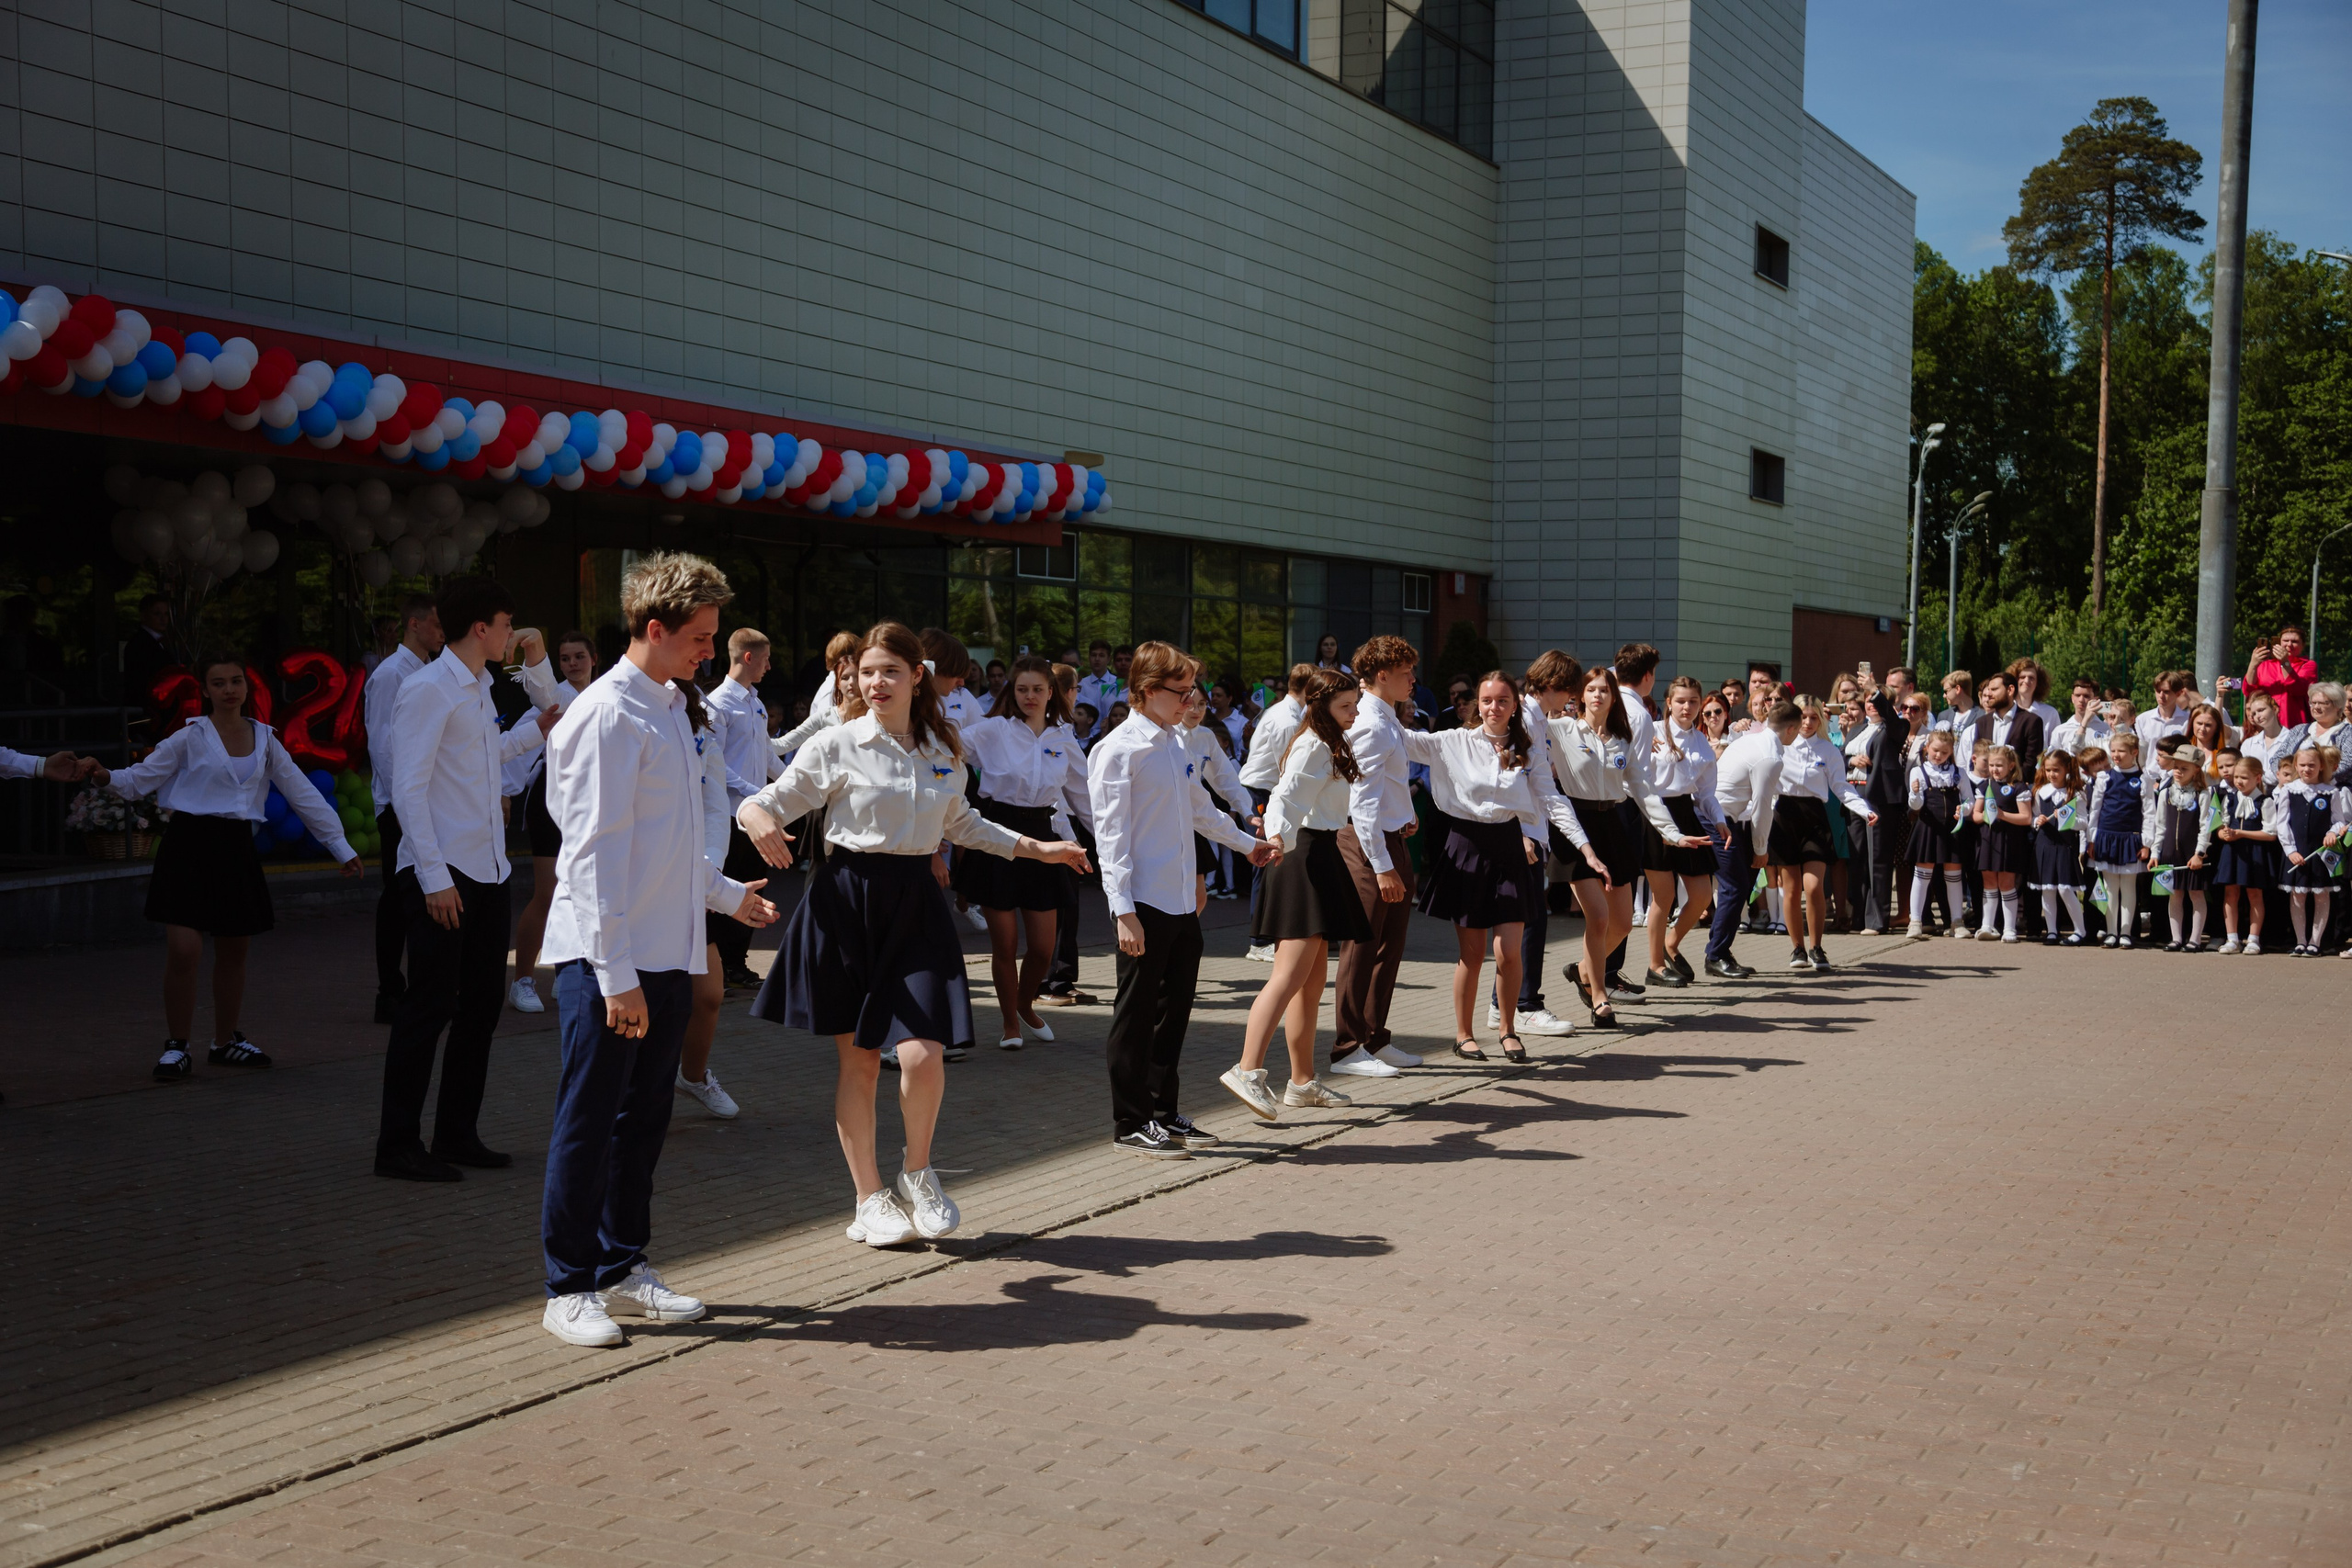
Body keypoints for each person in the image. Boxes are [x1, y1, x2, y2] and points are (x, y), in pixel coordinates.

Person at [741, 622, 1089, 1235]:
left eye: (890, 671)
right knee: (863, 1063)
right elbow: (771, 799)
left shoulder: (942, 748)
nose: (876, 681)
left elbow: (965, 824)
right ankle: (868, 1198)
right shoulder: (837, 744)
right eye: (867, 671)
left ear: (916, 677)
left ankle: (918, 1172)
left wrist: (1038, 847)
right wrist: (753, 816)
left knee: (924, 1055)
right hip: (847, 903)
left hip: (916, 904)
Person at [534, 554, 778, 1347]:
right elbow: (592, 855)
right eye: (701, 638)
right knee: (589, 1119)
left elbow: (668, 844)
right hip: (613, 961)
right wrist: (616, 977)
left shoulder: (672, 705)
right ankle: (567, 1286)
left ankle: (620, 1263)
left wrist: (725, 895)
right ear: (654, 629)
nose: (711, 651)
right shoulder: (607, 713)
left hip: (667, 953)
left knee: (643, 1121)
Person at [99, 655, 362, 1081]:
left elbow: (301, 791)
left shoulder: (265, 738)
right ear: (205, 691)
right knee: (184, 949)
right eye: (218, 683)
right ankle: (177, 1046)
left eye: (236, 681)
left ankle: (224, 1041)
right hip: (187, 845)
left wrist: (339, 846)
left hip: (237, 848)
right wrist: (100, 777)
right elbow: (138, 780)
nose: (229, 689)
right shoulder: (190, 737)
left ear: (247, 687)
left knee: (234, 951)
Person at [377, 579, 559, 1183]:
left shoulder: (478, 685)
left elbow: (487, 756)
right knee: (427, 1007)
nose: (513, 633)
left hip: (486, 869)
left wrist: (540, 726)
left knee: (480, 1007)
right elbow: (408, 787)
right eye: (506, 623)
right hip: (444, 871)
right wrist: (433, 878)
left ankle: (456, 1132)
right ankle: (397, 1143)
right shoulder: (427, 688)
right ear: (480, 628)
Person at [1088, 641, 1274, 1157]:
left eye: (1193, 689)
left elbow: (1201, 810)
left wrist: (1248, 844)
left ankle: (1162, 1112)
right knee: (1135, 1013)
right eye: (1182, 690)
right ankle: (1130, 1121)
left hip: (1178, 903)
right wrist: (1121, 909)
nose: (1192, 700)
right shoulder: (1118, 749)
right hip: (1143, 901)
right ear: (1147, 692)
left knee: (1173, 1013)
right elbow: (1111, 836)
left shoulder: (1175, 743)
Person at [1219, 669, 1370, 1119]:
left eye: (1355, 704)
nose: (1354, 712)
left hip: (1319, 855)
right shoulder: (1313, 744)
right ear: (1320, 705)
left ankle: (1302, 1081)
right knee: (1287, 978)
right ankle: (1247, 1070)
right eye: (1346, 705)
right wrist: (1278, 839)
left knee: (1310, 985)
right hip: (1302, 857)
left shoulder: (1329, 742)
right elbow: (1282, 797)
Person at [1396, 671, 1561, 1062]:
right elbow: (1405, 742)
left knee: (1508, 952)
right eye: (1487, 700)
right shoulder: (1453, 741)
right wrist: (1375, 701)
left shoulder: (1530, 749)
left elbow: (1549, 801)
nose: (1494, 708)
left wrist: (1574, 845)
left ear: (1515, 705)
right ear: (1474, 705)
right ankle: (1463, 1034)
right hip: (1465, 846)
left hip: (1510, 846)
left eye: (1502, 700)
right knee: (1471, 954)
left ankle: (1507, 1030)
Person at [954, 654, 1091, 1050]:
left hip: (1042, 838)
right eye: (1022, 689)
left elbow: (1084, 799)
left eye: (1038, 689)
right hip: (995, 833)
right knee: (1006, 944)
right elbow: (943, 749)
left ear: (1052, 693)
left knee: (1044, 947)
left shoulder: (1063, 738)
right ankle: (1010, 1022)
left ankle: (1025, 1005)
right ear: (1012, 693)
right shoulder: (992, 729)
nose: (1030, 696)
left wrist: (1107, 845)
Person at [1547, 664, 1691, 1019]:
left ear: (1614, 697)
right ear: (1581, 695)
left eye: (1605, 690)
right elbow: (1526, 725)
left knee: (1623, 923)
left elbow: (1643, 789)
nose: (1598, 695)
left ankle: (1583, 970)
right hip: (1576, 825)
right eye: (1592, 689)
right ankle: (1599, 998)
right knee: (1597, 919)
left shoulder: (1621, 740)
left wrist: (1671, 832)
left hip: (1612, 824)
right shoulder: (1561, 730)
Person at [1331, 635, 1425, 1078]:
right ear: (1382, 675)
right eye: (1406, 672)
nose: (1413, 679)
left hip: (1390, 839)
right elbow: (1361, 801)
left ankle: (1373, 1037)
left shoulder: (1385, 718)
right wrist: (1383, 865)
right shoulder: (1369, 721)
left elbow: (1383, 790)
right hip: (1370, 846)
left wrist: (1404, 815)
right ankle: (1348, 1048)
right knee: (1363, 945)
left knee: (1389, 945)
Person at [1487, 650, 1584, 1038]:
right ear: (1556, 685)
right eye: (1569, 690)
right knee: (1528, 922)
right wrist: (1525, 833)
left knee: (1528, 919)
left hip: (1531, 831)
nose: (1571, 699)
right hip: (1521, 832)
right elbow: (1514, 780)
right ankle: (1523, 1004)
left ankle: (1504, 1004)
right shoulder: (1527, 717)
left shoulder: (1537, 718)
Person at [363, 593, 445, 1022]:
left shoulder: (424, 671)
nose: (442, 632)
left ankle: (413, 987)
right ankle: (390, 991)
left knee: (412, 894)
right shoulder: (391, 673)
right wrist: (401, 804)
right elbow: (383, 745)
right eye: (436, 624)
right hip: (401, 803)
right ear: (414, 624)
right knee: (398, 897)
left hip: (420, 800)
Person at [506, 630, 597, 1015]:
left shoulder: (608, 695)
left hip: (595, 803)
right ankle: (522, 980)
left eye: (579, 656)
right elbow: (517, 745)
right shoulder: (555, 697)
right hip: (550, 801)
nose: (572, 664)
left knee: (586, 894)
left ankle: (567, 973)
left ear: (594, 658)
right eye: (565, 658)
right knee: (548, 893)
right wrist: (505, 794)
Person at [1770, 696, 1875, 969]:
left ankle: (1817, 947)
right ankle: (1797, 949)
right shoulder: (1778, 745)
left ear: (1820, 720)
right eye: (1802, 717)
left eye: (1813, 717)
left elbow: (1841, 787)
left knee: (1814, 886)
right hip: (1784, 815)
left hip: (1815, 817)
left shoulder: (1828, 750)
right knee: (1791, 891)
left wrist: (1864, 810)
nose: (1807, 723)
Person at [1705, 701, 1798, 977]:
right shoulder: (1770, 756)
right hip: (1717, 818)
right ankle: (1715, 955)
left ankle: (1718, 949)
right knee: (1735, 888)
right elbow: (1762, 807)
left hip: (1725, 816)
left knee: (1739, 887)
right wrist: (1760, 849)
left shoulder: (1753, 740)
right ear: (1791, 729)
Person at [1641, 676, 1722, 987]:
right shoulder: (1652, 733)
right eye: (1680, 701)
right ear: (1668, 704)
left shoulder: (1702, 742)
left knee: (1702, 894)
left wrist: (1719, 820)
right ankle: (1655, 965)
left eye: (1692, 701)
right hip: (1655, 812)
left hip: (1686, 813)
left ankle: (1671, 943)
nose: (1686, 707)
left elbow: (1706, 793)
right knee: (1664, 896)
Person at [1238, 663, 1315, 963]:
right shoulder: (1286, 720)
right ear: (1308, 689)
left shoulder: (1286, 713)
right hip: (1261, 793)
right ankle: (1259, 941)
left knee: (1269, 864)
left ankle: (1264, 937)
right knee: (1265, 863)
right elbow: (1289, 770)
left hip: (1264, 791)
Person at [2275, 743, 2348, 955]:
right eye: (2303, 765)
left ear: (2321, 766)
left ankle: (2315, 942)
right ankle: (2300, 940)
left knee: (2321, 896)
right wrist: (2290, 851)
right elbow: (2283, 823)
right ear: (2296, 766)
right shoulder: (2289, 790)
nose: (2307, 769)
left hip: (2321, 854)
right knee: (2298, 895)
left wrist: (2332, 832)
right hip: (2297, 852)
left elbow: (2338, 820)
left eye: (2312, 765)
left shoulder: (2330, 792)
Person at [2145, 738, 2217, 952]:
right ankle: (2176, 938)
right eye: (2176, 767)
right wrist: (2155, 852)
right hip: (2170, 852)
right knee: (2175, 894)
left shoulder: (2203, 794)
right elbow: (2160, 826)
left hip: (2192, 853)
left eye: (2183, 768)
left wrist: (2199, 853)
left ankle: (2195, 939)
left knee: (2195, 894)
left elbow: (2206, 827)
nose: (2178, 771)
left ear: (2196, 770)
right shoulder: (2166, 793)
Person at [1180, 686, 1250, 902]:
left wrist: (1247, 812)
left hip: (1195, 823)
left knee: (1198, 897)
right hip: (1167, 824)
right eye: (1190, 704)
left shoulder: (1206, 735)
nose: (1196, 710)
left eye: (1202, 704)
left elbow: (1225, 778)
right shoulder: (1167, 735)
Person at [1903, 727, 1974, 940]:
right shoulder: (1919, 771)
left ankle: (1956, 922)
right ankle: (1915, 921)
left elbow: (1969, 799)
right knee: (1922, 874)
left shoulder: (1958, 773)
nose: (1938, 755)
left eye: (1944, 752)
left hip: (1951, 829)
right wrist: (1915, 792)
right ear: (1927, 748)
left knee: (1953, 876)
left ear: (1951, 751)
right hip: (1928, 827)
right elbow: (1915, 805)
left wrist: (1965, 808)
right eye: (1935, 751)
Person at [1853, 689, 1912, 934]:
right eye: (1868, 700)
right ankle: (1859, 918)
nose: (1872, 705)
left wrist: (1877, 691)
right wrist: (1850, 760)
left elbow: (1892, 718)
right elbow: (1842, 753)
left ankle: (1878, 921)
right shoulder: (1859, 729)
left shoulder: (1894, 728)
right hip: (1854, 798)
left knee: (1879, 859)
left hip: (1880, 799)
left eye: (1877, 700)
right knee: (1859, 859)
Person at [2212, 753, 2280, 954]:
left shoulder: (2265, 801)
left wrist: (2240, 833)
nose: (2239, 782)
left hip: (2255, 852)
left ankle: (2253, 939)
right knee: (2230, 892)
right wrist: (2222, 834)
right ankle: (2232, 938)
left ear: (2258, 778)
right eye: (2236, 778)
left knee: (2254, 893)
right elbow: (2220, 825)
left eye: (2244, 778)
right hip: (2232, 851)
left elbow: (2270, 833)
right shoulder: (2230, 799)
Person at [2086, 729, 2148, 949]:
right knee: (2110, 887)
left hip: (2131, 838)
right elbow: (2095, 811)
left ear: (2134, 752)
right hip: (2106, 837)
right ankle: (2111, 932)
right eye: (2112, 750)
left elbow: (2148, 813)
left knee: (2129, 886)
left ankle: (2125, 933)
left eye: (2121, 751)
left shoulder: (2143, 779)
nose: (2116, 755)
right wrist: (2091, 840)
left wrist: (2147, 843)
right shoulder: (2104, 778)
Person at [1971, 743, 2033, 942]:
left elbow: (2026, 818)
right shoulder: (1984, 786)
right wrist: (1985, 816)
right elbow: (1976, 815)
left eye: (1999, 765)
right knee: (1989, 883)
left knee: (2006, 884)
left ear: (2011, 766)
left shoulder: (2019, 788)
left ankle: (2009, 928)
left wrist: (2001, 814)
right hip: (1987, 840)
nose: (1994, 770)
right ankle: (1987, 926)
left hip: (2009, 840)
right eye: (1991, 765)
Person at [2027, 750, 2088, 945]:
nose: (2052, 774)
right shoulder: (2039, 792)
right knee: (2047, 889)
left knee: (2064, 889)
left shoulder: (2076, 793)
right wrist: (2037, 820)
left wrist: (2066, 818)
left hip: (2064, 845)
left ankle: (2080, 930)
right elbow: (2033, 818)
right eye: (2048, 770)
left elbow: (2083, 822)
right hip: (2044, 845)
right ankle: (2052, 931)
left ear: (2067, 769)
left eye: (2056, 770)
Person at [2245, 626, 2318, 729]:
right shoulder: (2265, 665)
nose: (2289, 644)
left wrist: (2285, 663)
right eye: (2285, 641)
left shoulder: (2308, 665)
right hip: (2265, 725)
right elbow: (2249, 691)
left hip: (2295, 724)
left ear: (2303, 645)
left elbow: (2298, 689)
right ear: (2279, 642)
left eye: (2295, 641)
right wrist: (2253, 664)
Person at [121, 592, 173, 702]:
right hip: (149, 704)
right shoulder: (139, 644)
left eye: (166, 614)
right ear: (144, 615)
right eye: (157, 613)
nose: (163, 618)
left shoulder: (163, 642)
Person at [2051, 677, 2111, 756]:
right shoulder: (2060, 731)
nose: (2081, 700)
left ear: (2095, 700)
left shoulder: (2106, 729)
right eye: (2077, 695)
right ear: (2072, 698)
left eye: (2086, 696)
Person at [1078, 640, 1123, 727]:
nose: (1097, 659)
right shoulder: (1081, 685)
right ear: (1089, 658)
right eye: (1093, 655)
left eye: (1101, 655)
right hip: (1087, 736)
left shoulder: (1117, 683)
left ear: (1109, 659)